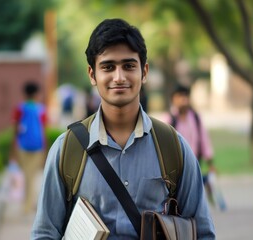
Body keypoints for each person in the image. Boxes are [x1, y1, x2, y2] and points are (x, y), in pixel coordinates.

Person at [31, 19, 215, 239]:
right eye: (108, 67)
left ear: (144, 72)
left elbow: (203, 232)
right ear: (92, 75)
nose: (119, 77)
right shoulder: (67, 149)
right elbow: (44, 233)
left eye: (129, 66)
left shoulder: (173, 146)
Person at [165, 85, 216, 202]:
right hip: (176, 164)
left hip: (194, 160)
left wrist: (210, 162)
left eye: (185, 97)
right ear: (173, 99)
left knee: (192, 194)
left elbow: (204, 140)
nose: (183, 100)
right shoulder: (169, 119)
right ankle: (205, 181)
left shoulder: (196, 118)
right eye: (180, 97)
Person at [11, 81, 47, 214]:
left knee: (27, 176)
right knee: (32, 176)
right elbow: (43, 130)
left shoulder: (20, 108)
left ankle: (27, 204)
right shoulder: (41, 109)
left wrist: (13, 149)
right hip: (38, 146)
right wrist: (45, 148)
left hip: (23, 146)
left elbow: (15, 129)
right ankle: (29, 204)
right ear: (36, 93)